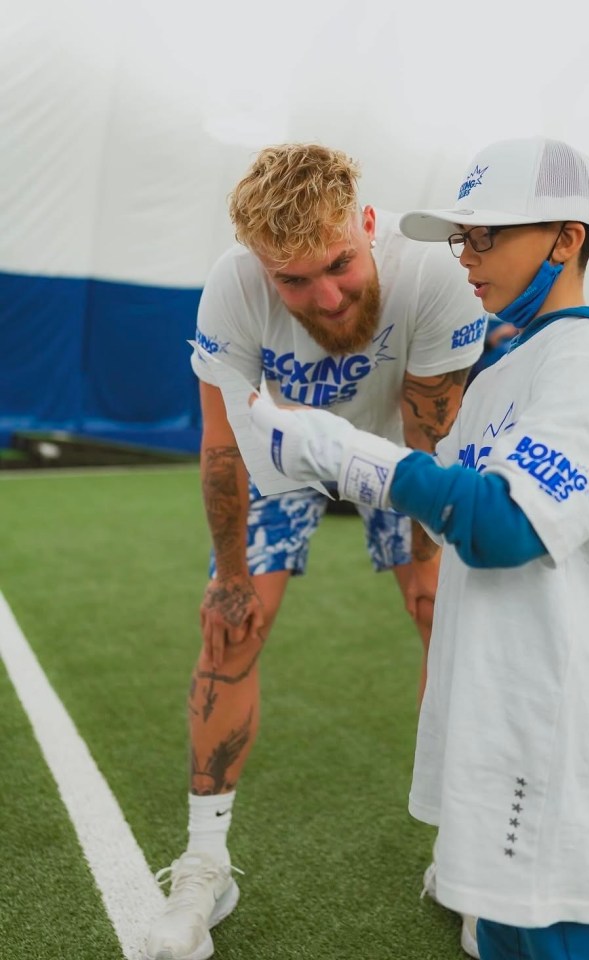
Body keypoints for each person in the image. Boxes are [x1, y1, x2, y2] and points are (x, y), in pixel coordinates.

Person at [244, 137, 589, 960]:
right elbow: (447, 510)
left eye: (486, 237)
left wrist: (336, 448)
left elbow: (502, 525)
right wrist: (316, 444)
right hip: (499, 702)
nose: (465, 258)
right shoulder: (512, 359)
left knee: (557, 934)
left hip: (541, 715)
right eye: (459, 238)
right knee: (507, 932)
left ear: (565, 239)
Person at [144, 143, 485, 960]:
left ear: (368, 226)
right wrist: (229, 576)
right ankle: (203, 864)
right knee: (230, 625)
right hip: (283, 454)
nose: (325, 298)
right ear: (260, 266)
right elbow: (222, 444)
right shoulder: (231, 283)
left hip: (397, 449)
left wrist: (425, 552)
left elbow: (430, 434)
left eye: (339, 264)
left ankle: (469, 860)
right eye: (292, 281)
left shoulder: (432, 273)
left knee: (446, 616)